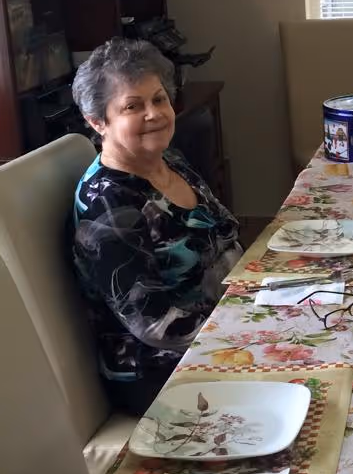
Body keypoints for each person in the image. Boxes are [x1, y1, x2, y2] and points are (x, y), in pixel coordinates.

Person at [72, 38, 242, 414]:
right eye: (133, 106)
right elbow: (156, 327)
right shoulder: (109, 206)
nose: (155, 114)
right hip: (161, 374)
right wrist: (250, 331)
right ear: (98, 121)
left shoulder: (171, 160)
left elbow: (225, 239)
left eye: (159, 99)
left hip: (222, 334)